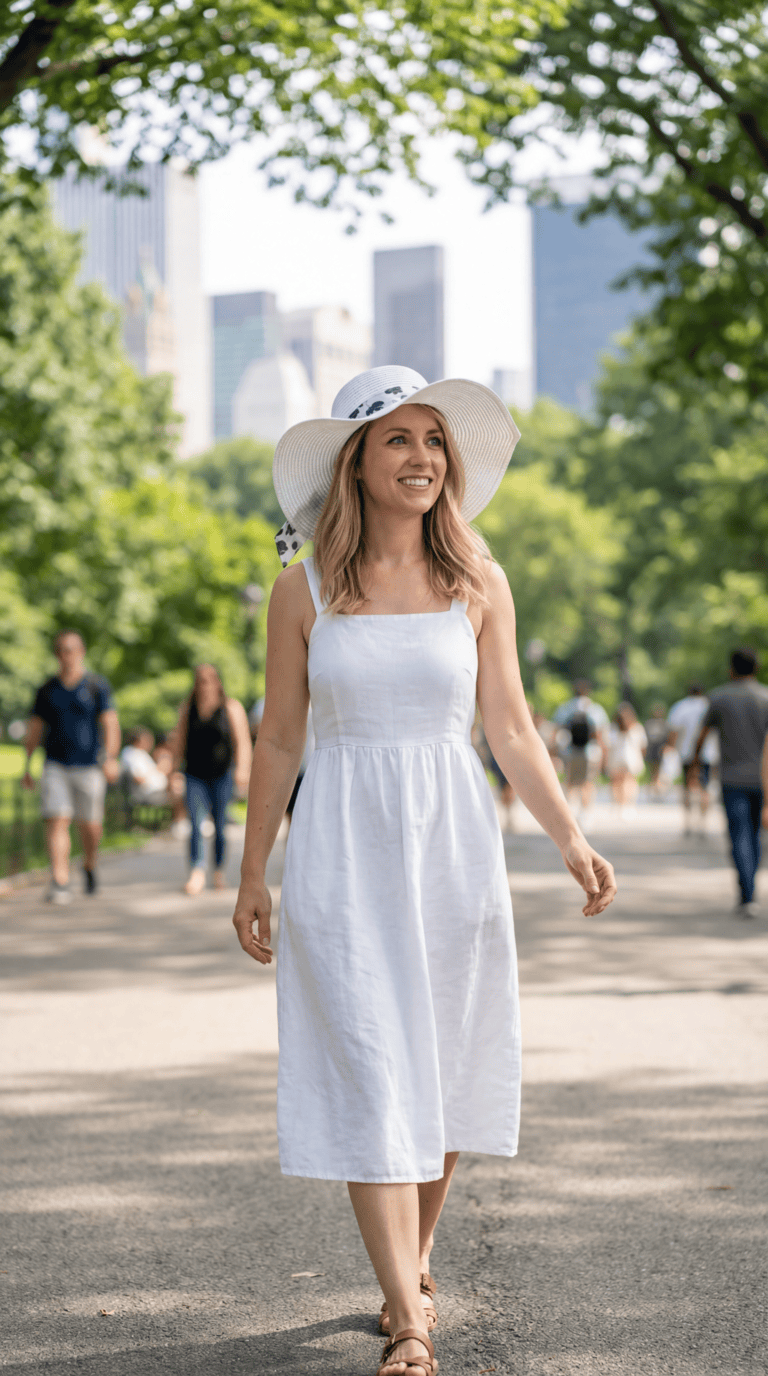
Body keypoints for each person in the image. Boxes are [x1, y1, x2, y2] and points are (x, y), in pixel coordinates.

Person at [232, 364, 617, 1376]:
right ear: (354, 460)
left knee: (443, 1068)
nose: (420, 457)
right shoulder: (303, 587)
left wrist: (571, 838)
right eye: (396, 439)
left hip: (452, 843)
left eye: (433, 440)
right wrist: (251, 870)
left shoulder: (478, 580)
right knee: (371, 1065)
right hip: (342, 851)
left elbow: (514, 728)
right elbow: (278, 738)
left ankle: (415, 1255)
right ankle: (408, 1313)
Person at [22, 630, 120, 904]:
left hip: (89, 766)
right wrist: (27, 766)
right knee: (57, 820)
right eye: (62, 650)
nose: (67, 655)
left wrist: (110, 758)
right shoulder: (47, 689)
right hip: (55, 765)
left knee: (89, 826)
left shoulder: (96, 686)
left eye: (72, 649)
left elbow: (110, 723)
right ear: (57, 654)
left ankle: (89, 863)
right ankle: (60, 880)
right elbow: (35, 728)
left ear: (82, 651)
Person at [692, 648, 768, 917]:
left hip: (732, 779)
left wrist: (696, 765)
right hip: (762, 780)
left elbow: (701, 736)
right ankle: (751, 891)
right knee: (755, 834)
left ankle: (746, 893)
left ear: (731, 669)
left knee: (739, 835)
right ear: (756, 667)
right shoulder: (765, 697)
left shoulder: (719, 697)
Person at [172, 664, 252, 895]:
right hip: (194, 775)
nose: (205, 684)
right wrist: (174, 772)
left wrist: (242, 770)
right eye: (200, 680)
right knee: (195, 824)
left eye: (209, 679)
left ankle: (218, 869)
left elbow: (243, 741)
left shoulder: (231, 707)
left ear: (218, 682)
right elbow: (179, 742)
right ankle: (197, 871)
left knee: (219, 824)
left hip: (222, 774)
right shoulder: (188, 709)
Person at [553, 679, 609, 818]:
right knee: (588, 782)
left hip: (570, 751)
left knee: (570, 780)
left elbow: (556, 731)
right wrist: (604, 755)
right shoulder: (595, 709)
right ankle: (585, 813)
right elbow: (600, 735)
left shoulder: (565, 708)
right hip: (590, 752)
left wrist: (554, 752)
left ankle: (570, 810)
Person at [666, 684, 713, 834]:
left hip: (686, 752)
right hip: (707, 753)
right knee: (705, 787)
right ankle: (703, 823)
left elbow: (673, 730)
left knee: (687, 786)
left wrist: (671, 748)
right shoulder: (708, 705)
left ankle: (688, 823)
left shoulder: (681, 707)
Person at [607, 702, 647, 810]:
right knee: (629, 781)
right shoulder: (637, 728)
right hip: (632, 759)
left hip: (615, 758)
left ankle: (619, 803)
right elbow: (643, 746)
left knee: (617, 782)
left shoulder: (612, 728)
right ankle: (626, 804)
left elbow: (608, 745)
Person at [643, 703, 669, 795]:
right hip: (651, 747)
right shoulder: (649, 723)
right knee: (652, 767)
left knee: (659, 767)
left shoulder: (664, 723)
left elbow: (667, 737)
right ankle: (652, 785)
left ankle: (657, 786)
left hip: (660, 747)